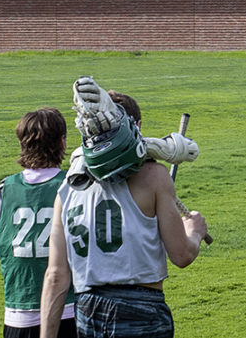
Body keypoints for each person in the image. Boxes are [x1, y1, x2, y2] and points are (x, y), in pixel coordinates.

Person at [40, 91, 207, 338]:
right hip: (142, 308)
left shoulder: (67, 187)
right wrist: (194, 232)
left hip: (88, 308)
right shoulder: (155, 176)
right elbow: (181, 255)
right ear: (137, 126)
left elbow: (56, 276)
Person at [0, 109, 74, 338]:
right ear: (62, 143)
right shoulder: (74, 187)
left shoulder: (1, 193)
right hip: (70, 312)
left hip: (18, 317)